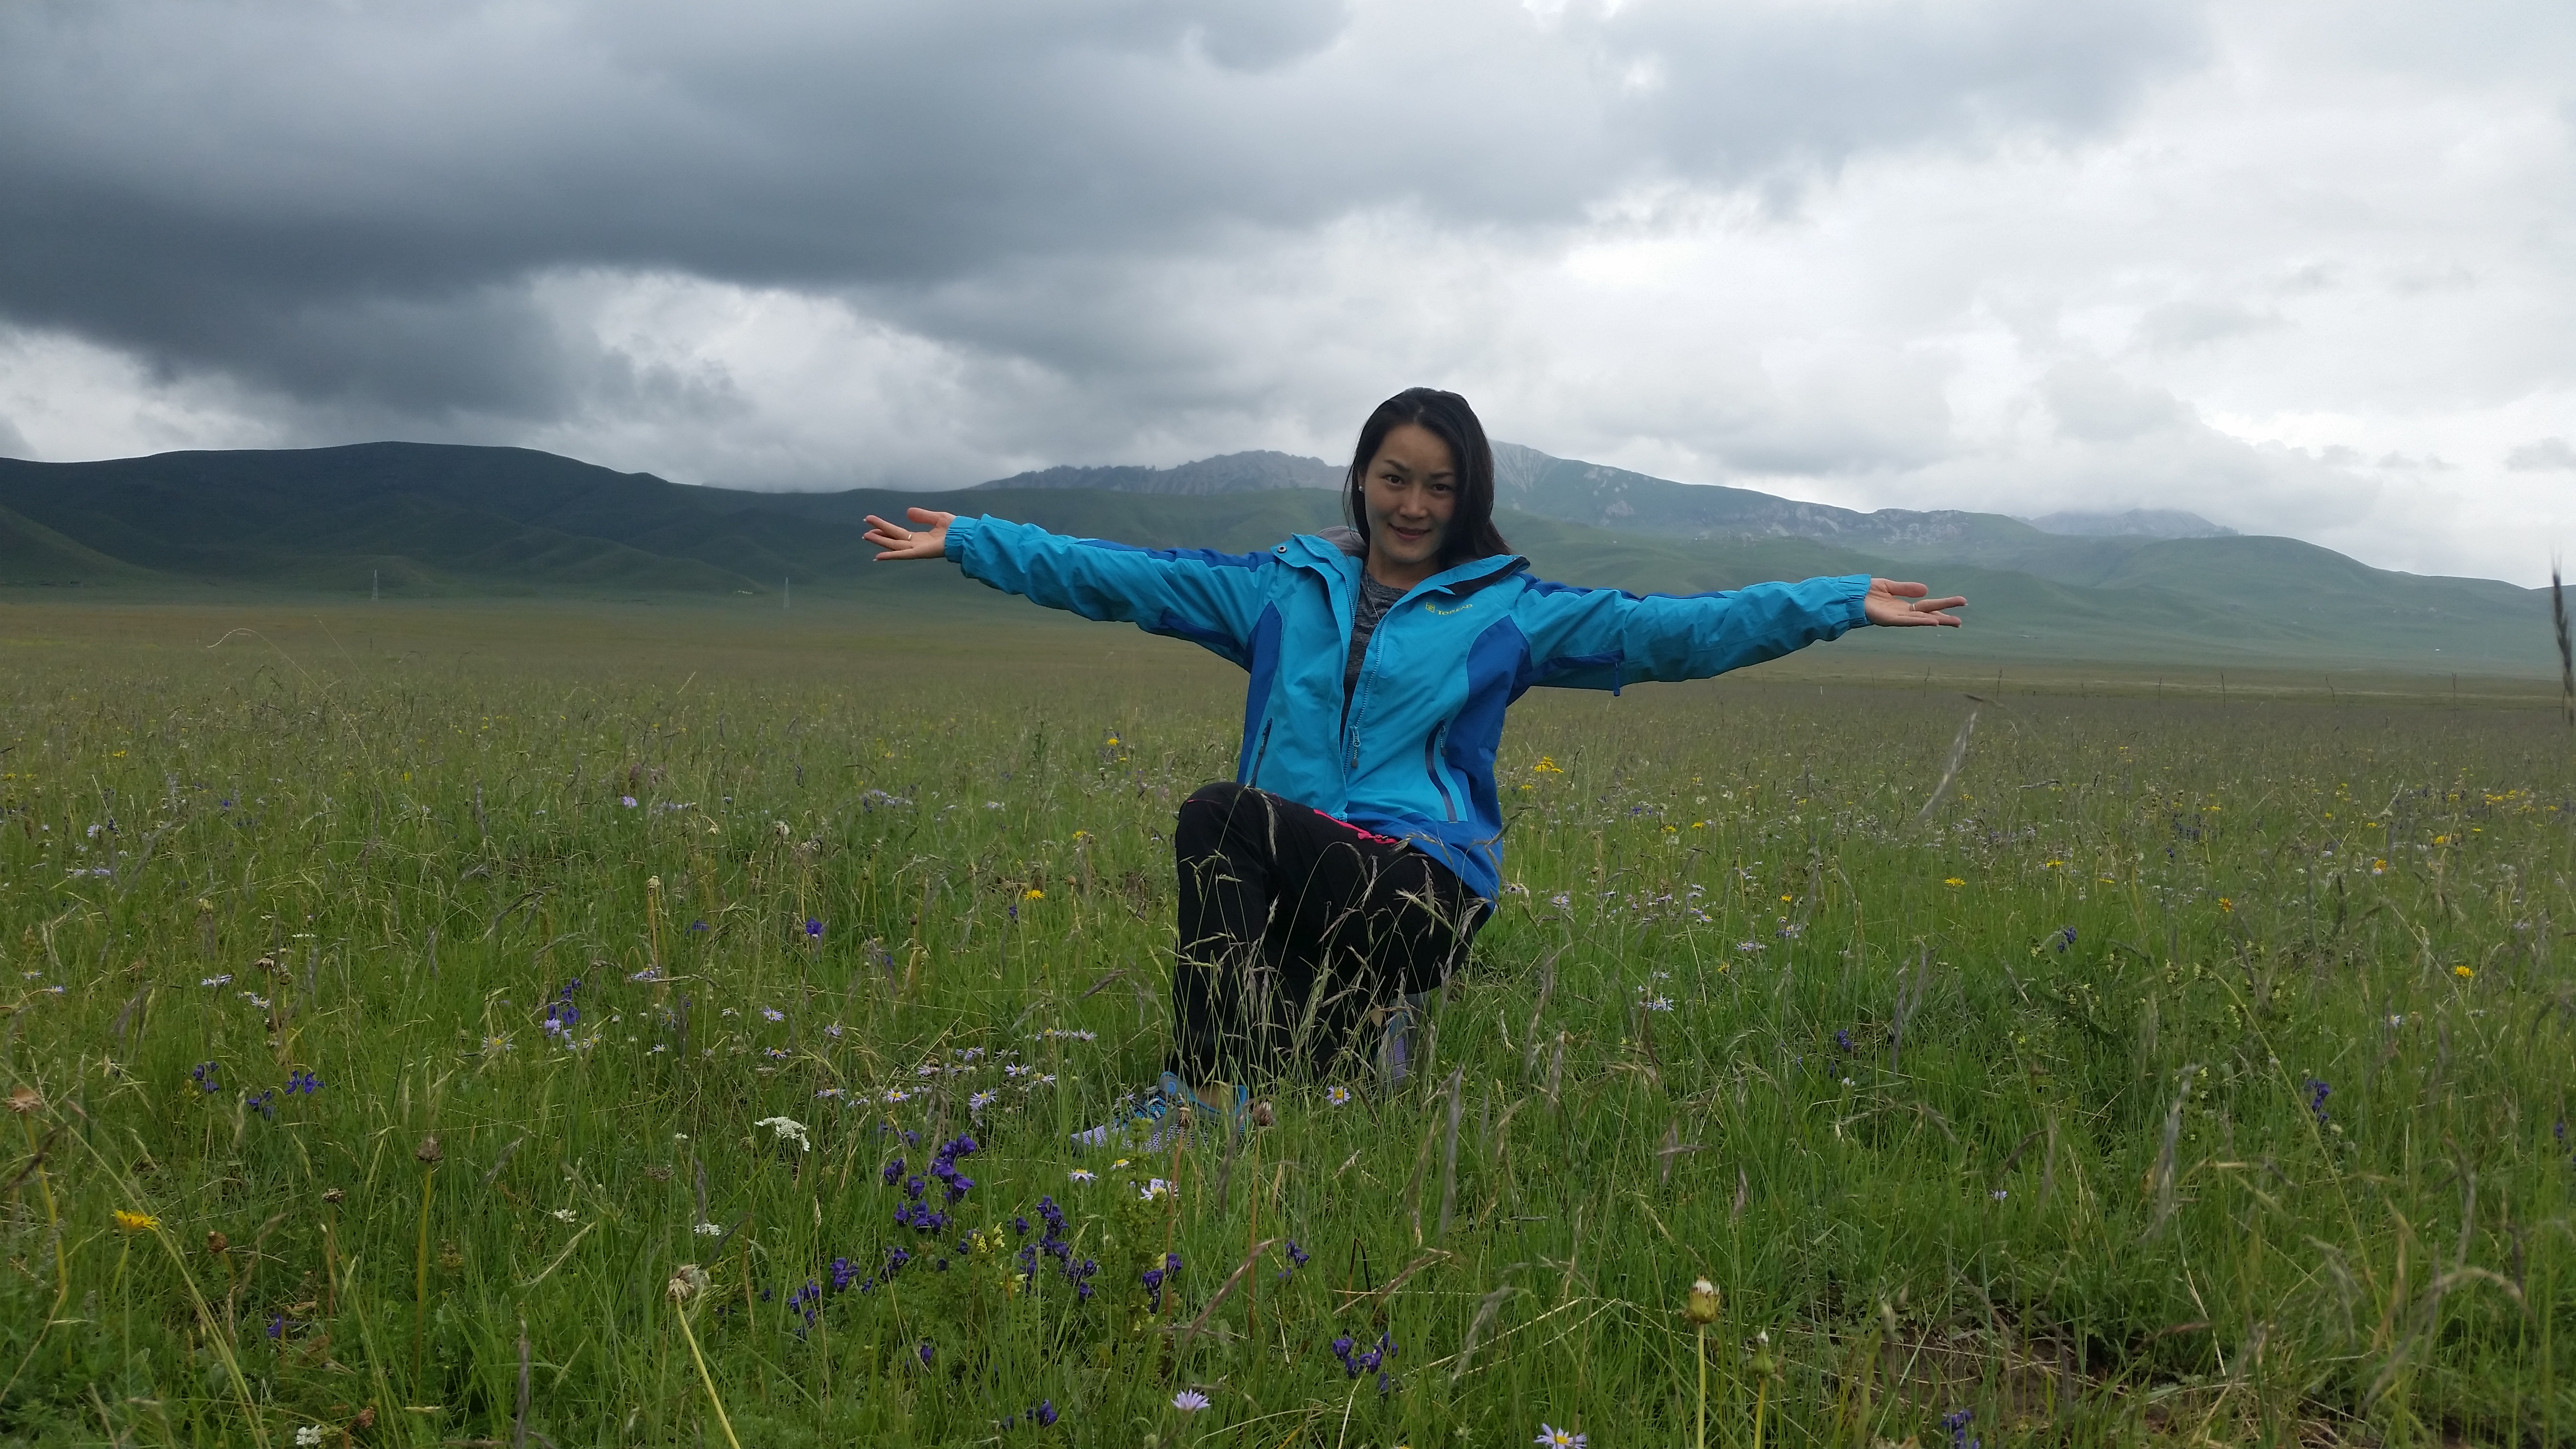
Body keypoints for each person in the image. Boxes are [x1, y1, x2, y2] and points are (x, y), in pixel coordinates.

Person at [863, 387, 1963, 1142]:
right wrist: (972, 541)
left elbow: (1672, 631)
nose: (1413, 506)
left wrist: (1834, 606)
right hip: (1310, 885)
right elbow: (1123, 577)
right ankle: (1345, 1040)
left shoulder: (1512, 613)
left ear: (1465, 497)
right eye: (1395, 479)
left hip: (1420, 886)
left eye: (1439, 488)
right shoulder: (1275, 592)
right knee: (1313, 1081)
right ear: (1361, 479)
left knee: (1220, 816)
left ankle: (1202, 1096)